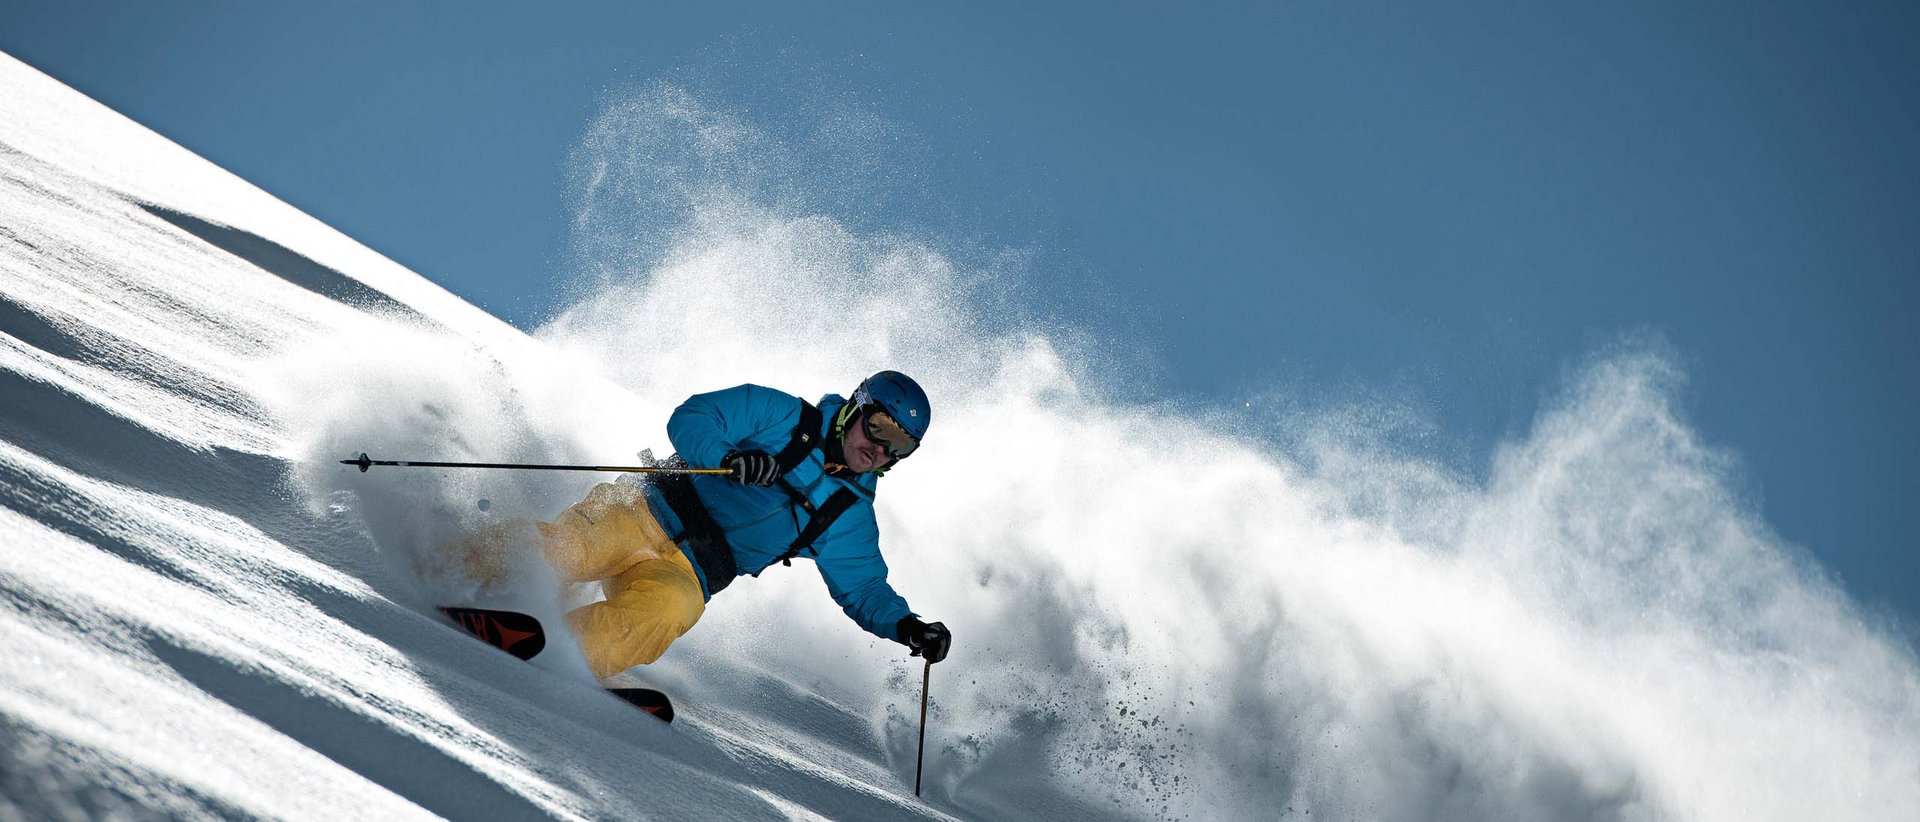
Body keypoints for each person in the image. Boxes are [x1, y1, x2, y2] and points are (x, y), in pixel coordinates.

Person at [525, 370, 950, 678]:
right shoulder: (785, 417)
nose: (881, 450)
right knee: (573, 551)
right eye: (879, 428)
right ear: (855, 409)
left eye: (900, 445)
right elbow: (694, 416)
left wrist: (908, 627)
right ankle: (489, 570)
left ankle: (556, 648)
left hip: (688, 573)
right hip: (642, 511)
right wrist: (727, 458)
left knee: (670, 610)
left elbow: (864, 588)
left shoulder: (849, 513)